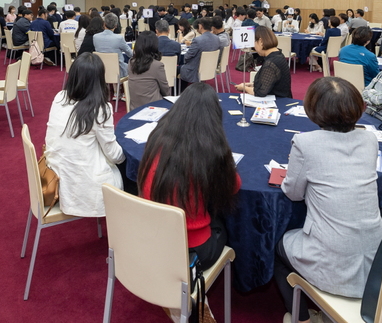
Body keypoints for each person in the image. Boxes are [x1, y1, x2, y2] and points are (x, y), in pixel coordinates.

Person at [275, 77, 382, 322]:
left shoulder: (306, 143)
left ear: (314, 110)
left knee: (276, 245)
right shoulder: (369, 138)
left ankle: (301, 316)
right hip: (375, 254)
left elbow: (293, 193)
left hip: (332, 258)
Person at [139, 82, 240, 270]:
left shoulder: (157, 136)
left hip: (153, 232)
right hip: (192, 245)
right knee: (227, 225)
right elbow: (233, 186)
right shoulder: (211, 150)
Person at [44, 53, 125, 217]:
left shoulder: (60, 97)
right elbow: (114, 155)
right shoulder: (100, 109)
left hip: (55, 177)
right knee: (128, 171)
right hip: (83, 187)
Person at [235, 26, 292, 98]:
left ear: (261, 42)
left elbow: (260, 92)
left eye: (254, 43)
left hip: (278, 101)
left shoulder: (271, 63)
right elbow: (271, 82)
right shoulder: (278, 54)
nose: (254, 47)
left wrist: (244, 88)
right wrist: (252, 84)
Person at [127, 31, 171, 108]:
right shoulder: (157, 65)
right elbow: (165, 90)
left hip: (135, 107)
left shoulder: (131, 62)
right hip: (154, 107)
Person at [180, 18, 220, 90]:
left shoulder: (198, 40)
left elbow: (188, 56)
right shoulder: (216, 38)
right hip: (210, 67)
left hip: (195, 69)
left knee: (179, 67)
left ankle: (180, 92)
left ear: (200, 26)